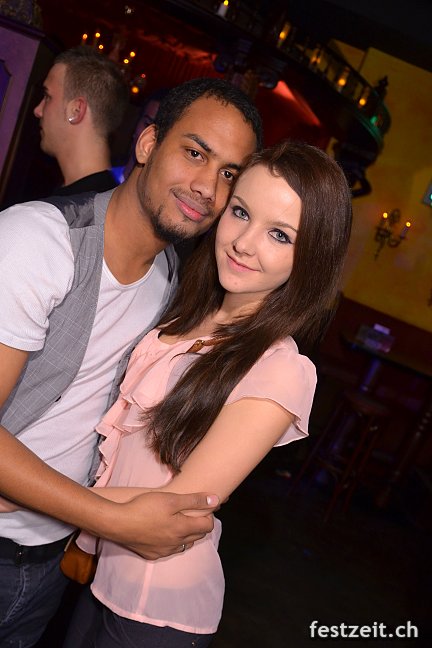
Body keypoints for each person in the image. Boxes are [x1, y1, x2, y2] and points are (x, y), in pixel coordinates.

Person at [0, 77, 263, 647]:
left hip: (47, 564)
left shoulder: (170, 281)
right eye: (195, 153)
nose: (207, 188)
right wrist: (114, 520)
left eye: (229, 175)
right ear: (147, 144)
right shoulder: (37, 242)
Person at [63, 140, 353, 647]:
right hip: (103, 573)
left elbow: (178, 505)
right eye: (240, 212)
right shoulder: (190, 308)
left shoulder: (280, 370)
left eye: (279, 234)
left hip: (155, 611)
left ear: (311, 257)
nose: (243, 243)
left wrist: (36, 497)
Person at [33, 46, 129, 195]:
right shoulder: (109, 199)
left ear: (76, 110)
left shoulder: (75, 205)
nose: (37, 110)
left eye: (47, 97)